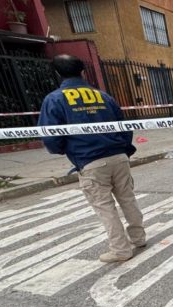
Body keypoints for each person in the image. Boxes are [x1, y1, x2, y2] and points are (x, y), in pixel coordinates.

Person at [38, 55, 145, 263]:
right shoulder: (104, 96)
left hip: (90, 160)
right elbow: (124, 126)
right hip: (118, 157)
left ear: (57, 74)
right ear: (83, 72)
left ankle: (120, 249)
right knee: (127, 199)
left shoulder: (54, 99)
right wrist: (124, 150)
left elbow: (50, 136)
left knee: (105, 206)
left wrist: (65, 150)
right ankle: (139, 238)